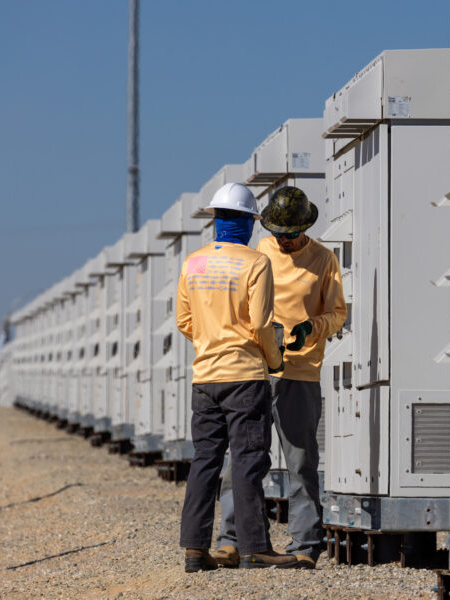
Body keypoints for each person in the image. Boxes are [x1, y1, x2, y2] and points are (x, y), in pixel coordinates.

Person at [213, 185, 346, 569]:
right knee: (242, 459)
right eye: (277, 233)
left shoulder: (324, 260)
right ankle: (231, 541)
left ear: (305, 228)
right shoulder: (260, 253)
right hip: (255, 369)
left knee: (300, 461)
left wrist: (312, 327)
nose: (283, 241)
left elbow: (338, 313)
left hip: (300, 372)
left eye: (290, 234)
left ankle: (305, 544)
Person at [176, 182, 303, 571]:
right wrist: (275, 361)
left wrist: (210, 342)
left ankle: (195, 550)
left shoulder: (192, 262)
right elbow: (262, 323)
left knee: (204, 461)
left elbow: (184, 321)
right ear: (250, 222)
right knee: (248, 460)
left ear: (215, 220)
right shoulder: (254, 263)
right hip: (245, 376)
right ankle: (254, 549)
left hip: (205, 378)